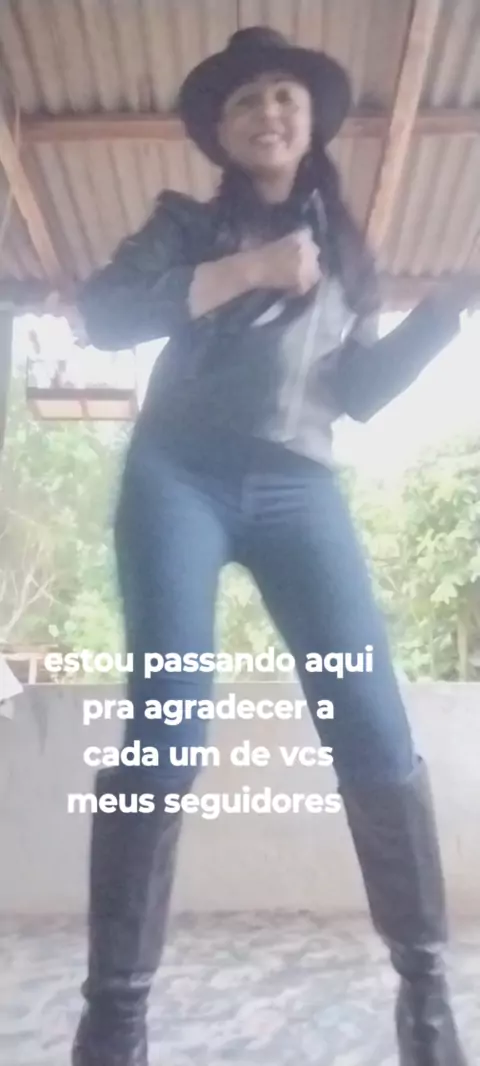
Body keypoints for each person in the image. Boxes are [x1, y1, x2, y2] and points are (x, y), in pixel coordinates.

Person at [71, 27, 474, 1066]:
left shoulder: (346, 253)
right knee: (168, 722)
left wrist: (448, 307)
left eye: (284, 95)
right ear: (220, 130)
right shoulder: (184, 224)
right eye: (246, 100)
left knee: (373, 726)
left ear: (311, 121)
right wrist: (243, 267)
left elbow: (359, 392)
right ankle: (115, 1014)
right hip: (179, 477)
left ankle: (426, 991)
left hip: (300, 485)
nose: (268, 112)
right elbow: (102, 316)